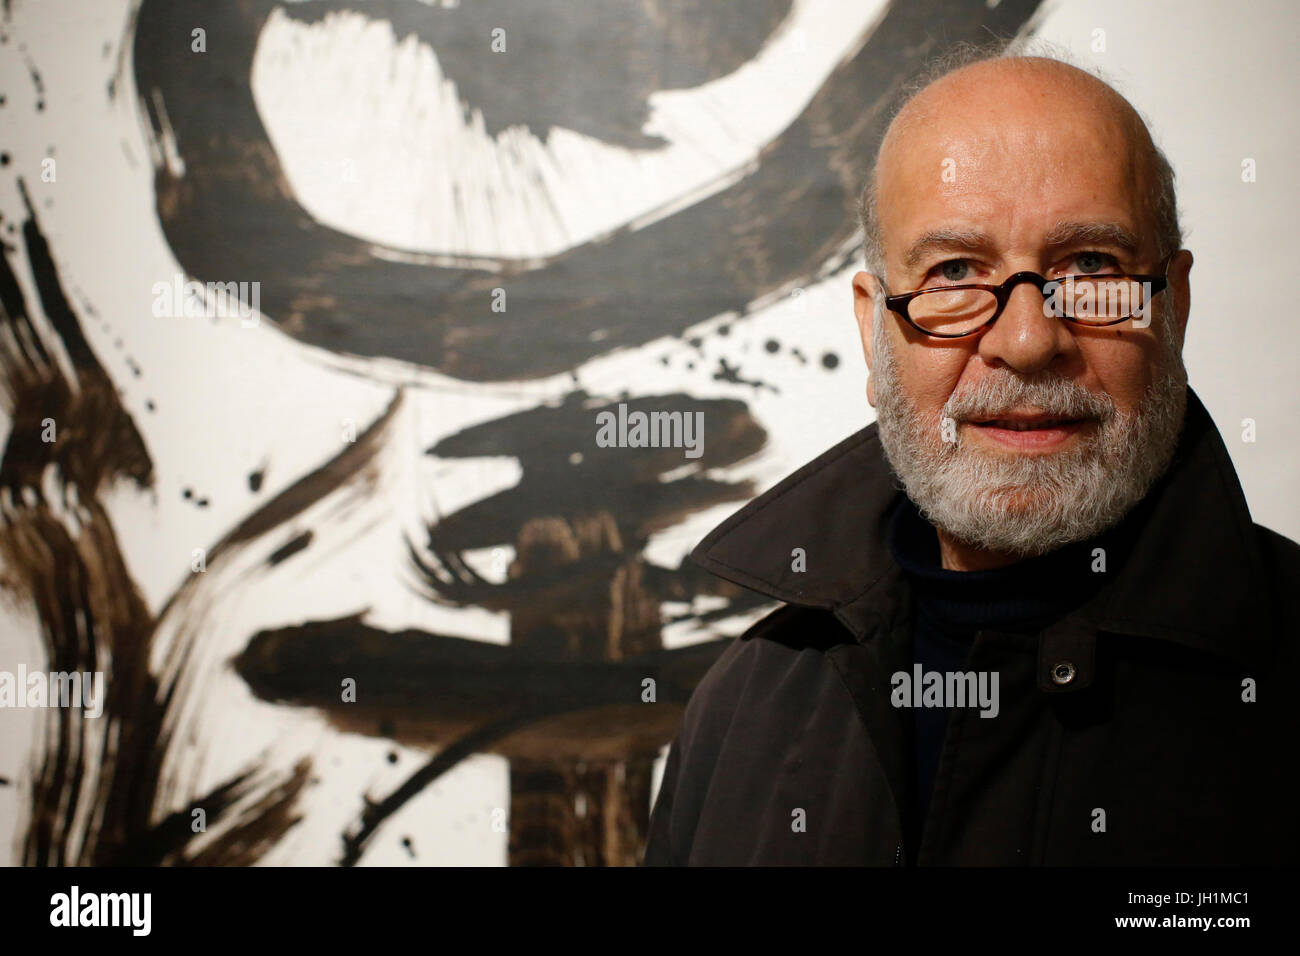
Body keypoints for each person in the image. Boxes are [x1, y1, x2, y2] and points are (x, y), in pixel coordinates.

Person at [642, 44, 1300, 866]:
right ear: (872, 329)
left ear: (1177, 309)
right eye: (955, 269)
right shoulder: (744, 707)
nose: (1026, 341)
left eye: (1090, 264)